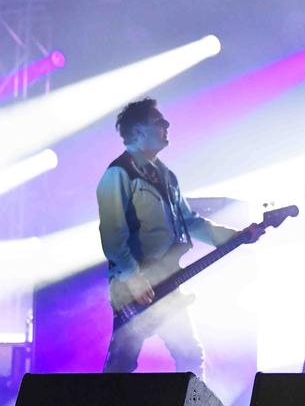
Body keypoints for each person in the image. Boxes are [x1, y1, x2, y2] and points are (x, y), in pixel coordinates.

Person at [97, 98, 263, 377]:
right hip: (134, 288)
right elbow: (112, 235)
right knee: (121, 366)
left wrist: (237, 236)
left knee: (190, 355)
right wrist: (133, 278)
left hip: (168, 283)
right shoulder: (118, 173)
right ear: (137, 130)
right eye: (159, 122)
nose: (167, 125)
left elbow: (191, 222)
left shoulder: (167, 176)